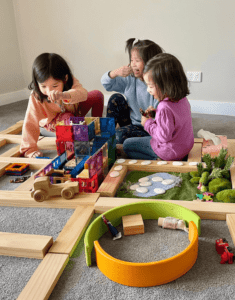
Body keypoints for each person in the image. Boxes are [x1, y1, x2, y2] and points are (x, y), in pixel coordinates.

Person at [20, 53, 104, 158]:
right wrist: (29, 150)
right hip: (53, 122)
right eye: (43, 86)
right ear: (37, 83)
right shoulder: (36, 96)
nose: (49, 91)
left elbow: (83, 94)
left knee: (97, 95)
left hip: (74, 111)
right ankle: (76, 143)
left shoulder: (70, 80)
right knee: (67, 117)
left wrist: (64, 95)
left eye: (55, 85)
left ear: (65, 78)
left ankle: (97, 128)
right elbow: (30, 123)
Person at [123, 53, 194, 161]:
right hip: (185, 148)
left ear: (165, 85)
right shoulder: (182, 99)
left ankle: (159, 158)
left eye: (150, 86)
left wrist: (147, 123)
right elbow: (175, 121)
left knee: (127, 145)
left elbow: (163, 137)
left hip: (169, 152)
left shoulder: (164, 107)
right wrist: (156, 114)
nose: (148, 90)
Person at [101, 38, 164, 144]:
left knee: (119, 135)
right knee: (115, 98)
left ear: (150, 62)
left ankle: (143, 141)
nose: (133, 64)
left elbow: (158, 115)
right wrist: (115, 72)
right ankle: (106, 138)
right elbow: (106, 84)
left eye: (137, 61)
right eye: (131, 60)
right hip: (132, 123)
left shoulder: (157, 86)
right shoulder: (129, 79)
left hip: (149, 128)